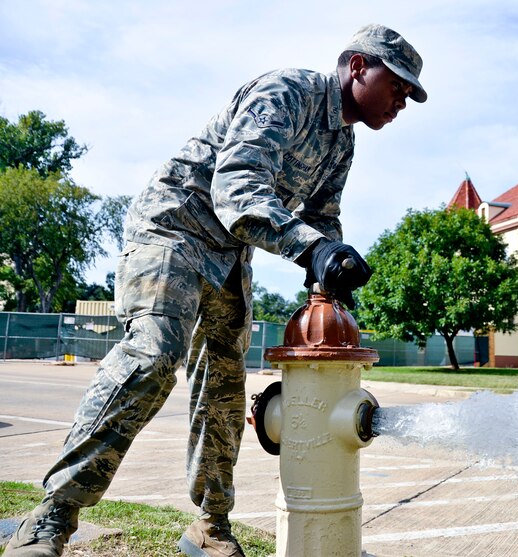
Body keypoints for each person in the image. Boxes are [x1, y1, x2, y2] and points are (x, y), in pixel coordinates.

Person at [4, 23, 426, 557]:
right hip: (174, 230)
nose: (402, 102)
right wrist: (310, 248)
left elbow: (322, 218)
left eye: (410, 94)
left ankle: (210, 527)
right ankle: (50, 518)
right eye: (399, 85)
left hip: (228, 253)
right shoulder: (289, 92)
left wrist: (332, 270)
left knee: (225, 394)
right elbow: (237, 185)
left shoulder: (341, 143)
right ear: (359, 67)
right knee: (151, 358)